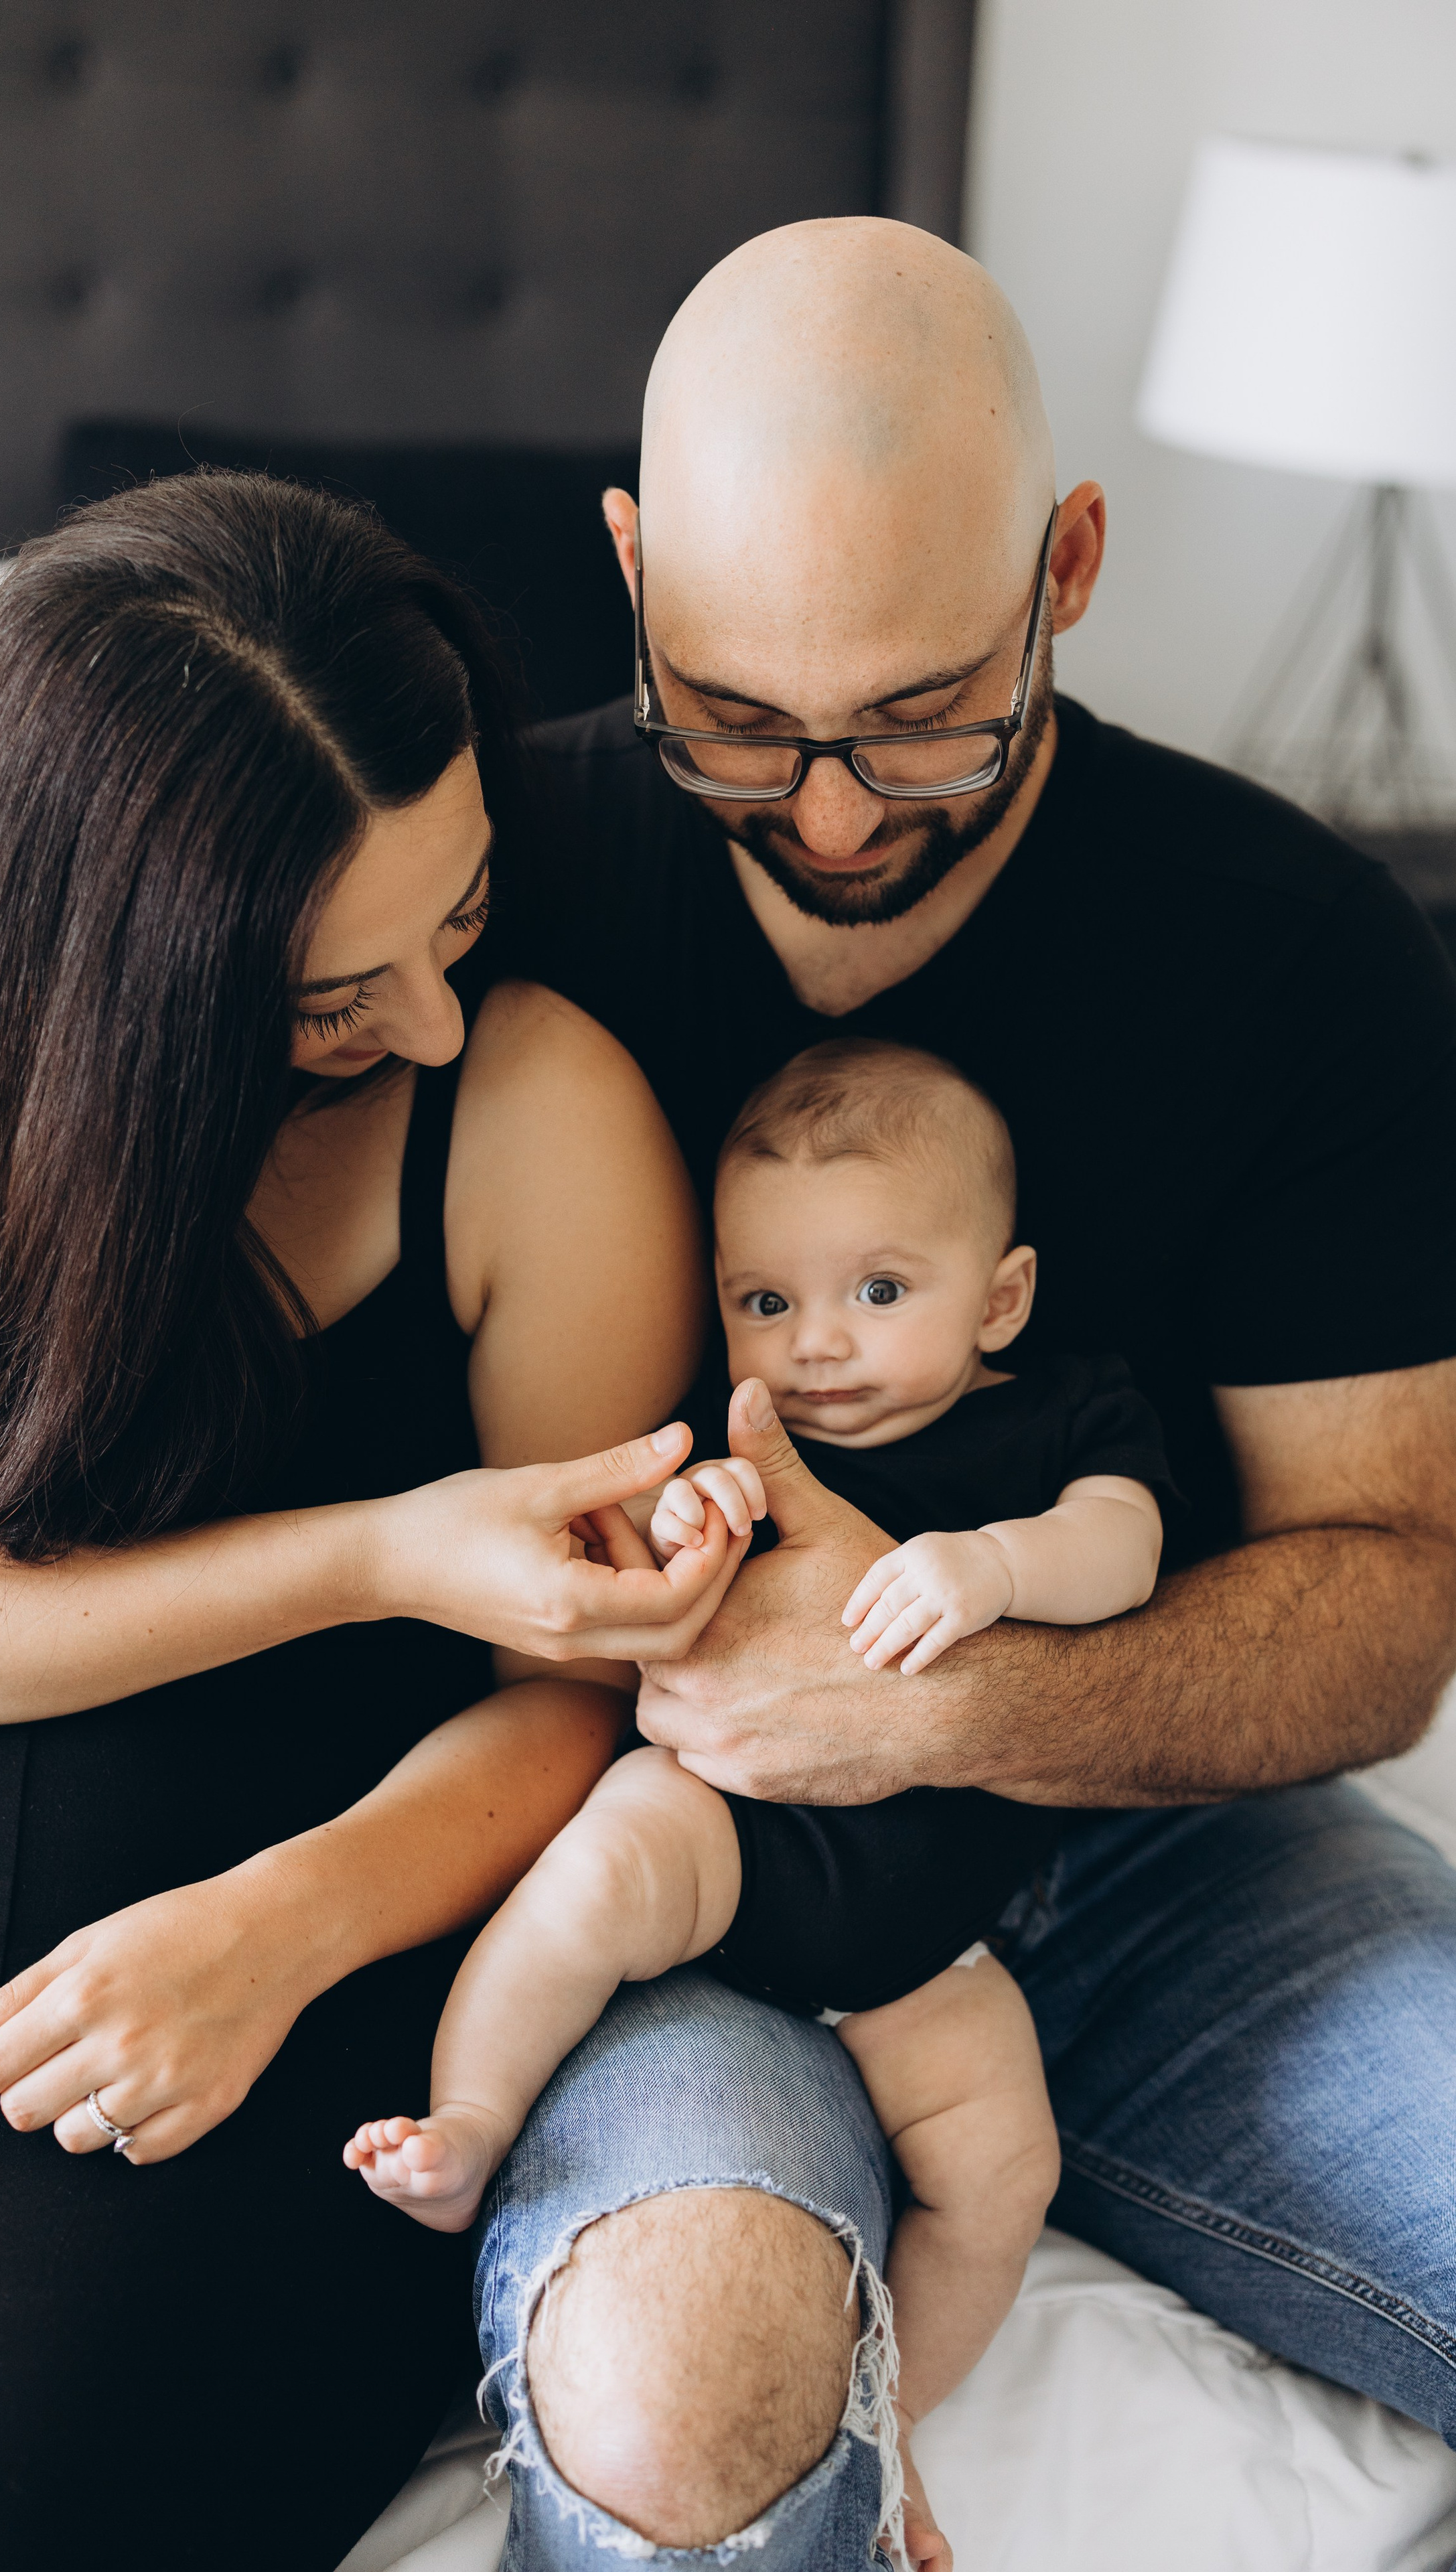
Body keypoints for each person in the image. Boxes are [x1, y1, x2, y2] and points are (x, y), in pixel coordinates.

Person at [469, 218, 1456, 2565]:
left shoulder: (1297, 952)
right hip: (666, 1889)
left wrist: (933, 1701)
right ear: (629, 569)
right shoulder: (471, 889)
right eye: (735, 715)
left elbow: (1399, 1604)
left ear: (1069, 569)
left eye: (925, 715)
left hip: (1158, 1856)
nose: (825, 813)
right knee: (682, 2397)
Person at [0, 472, 747, 2571]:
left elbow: (569, 1708)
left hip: (249, 2003)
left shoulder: (534, 1118)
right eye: (323, 991)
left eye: (455, 916)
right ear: (109, 971)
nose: (430, 1023)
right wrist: (379, 1546)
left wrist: (274, 1931)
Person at [346, 1037, 1166, 2571]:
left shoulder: (1060, 1429)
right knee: (588, 1880)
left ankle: (889, 2421)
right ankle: (468, 2117)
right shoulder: (736, 1433)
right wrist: (685, 1515)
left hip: (919, 1931)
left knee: (1000, 2172)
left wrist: (992, 1569)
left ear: (998, 1298)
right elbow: (638, 1554)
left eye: (878, 1292)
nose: (815, 1348)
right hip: (730, 1839)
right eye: (765, 1302)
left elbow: (1119, 1553)